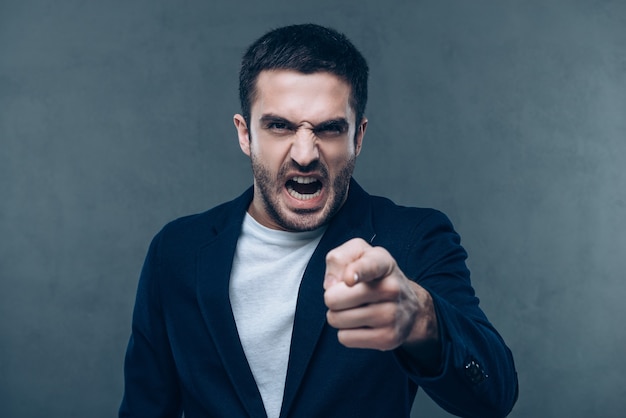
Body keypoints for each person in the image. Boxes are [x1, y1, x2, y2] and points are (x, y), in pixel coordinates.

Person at [119, 23, 518, 418]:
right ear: (245, 134)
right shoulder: (177, 250)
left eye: (329, 128)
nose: (305, 154)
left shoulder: (414, 239)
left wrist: (421, 317)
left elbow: (494, 395)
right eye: (279, 126)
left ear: (357, 138)